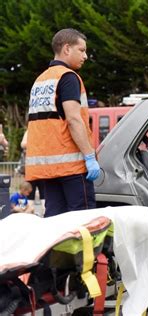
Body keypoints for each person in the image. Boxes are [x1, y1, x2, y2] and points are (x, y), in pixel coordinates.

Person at [25, 28, 100, 217]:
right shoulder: (68, 78)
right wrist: (89, 157)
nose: (85, 56)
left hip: (49, 169)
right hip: (72, 167)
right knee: (81, 223)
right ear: (67, 49)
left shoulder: (41, 80)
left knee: (55, 223)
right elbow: (74, 120)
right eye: (81, 50)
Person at [20, 130, 46, 217]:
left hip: (42, 171)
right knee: (29, 195)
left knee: (44, 195)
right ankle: (29, 216)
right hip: (31, 171)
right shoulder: (29, 131)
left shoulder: (44, 130)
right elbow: (23, 144)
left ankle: (46, 215)